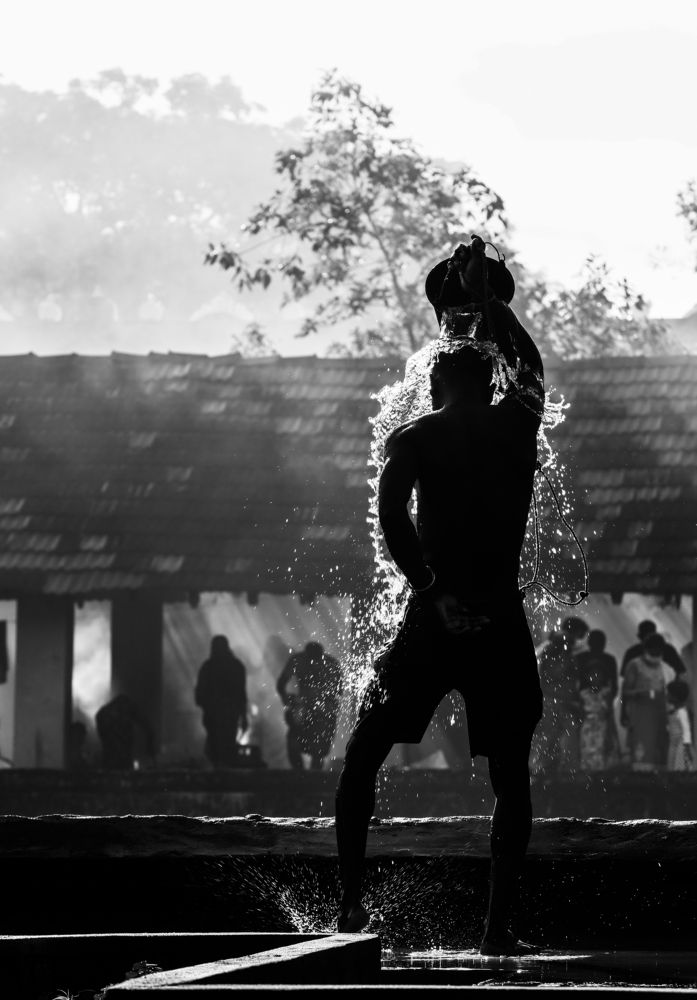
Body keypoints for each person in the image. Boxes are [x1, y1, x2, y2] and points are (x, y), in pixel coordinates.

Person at [335, 236, 545, 955]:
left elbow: (393, 518)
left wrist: (429, 591)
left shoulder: (414, 435)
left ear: (431, 382)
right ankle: (494, 931)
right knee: (510, 778)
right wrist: (487, 303)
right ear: (491, 379)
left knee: (363, 752)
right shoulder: (517, 423)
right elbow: (532, 366)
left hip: (433, 617)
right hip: (498, 616)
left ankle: (349, 909)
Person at [277, 641, 342, 770]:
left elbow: (338, 691)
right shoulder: (298, 660)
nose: (313, 662)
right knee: (295, 742)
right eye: (310, 658)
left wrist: (328, 702)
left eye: (316, 658)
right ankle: (301, 774)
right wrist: (287, 698)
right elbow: (281, 683)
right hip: (303, 707)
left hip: (323, 709)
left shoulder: (331, 664)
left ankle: (311, 777)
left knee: (319, 749)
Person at [621, 633, 674, 771]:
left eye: (659, 649)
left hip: (660, 715)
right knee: (642, 753)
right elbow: (626, 691)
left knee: (658, 751)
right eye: (653, 649)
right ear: (646, 649)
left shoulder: (666, 668)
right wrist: (641, 694)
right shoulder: (635, 665)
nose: (656, 652)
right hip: (640, 714)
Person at [195, 635, 248, 767]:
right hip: (229, 714)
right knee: (227, 746)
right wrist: (243, 716)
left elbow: (199, 694)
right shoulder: (236, 666)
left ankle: (218, 776)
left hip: (214, 714)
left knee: (216, 747)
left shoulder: (208, 667)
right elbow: (241, 695)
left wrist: (206, 705)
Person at [576, 630, 619, 771]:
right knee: (587, 749)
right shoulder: (607, 659)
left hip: (600, 715)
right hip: (589, 712)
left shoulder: (581, 658)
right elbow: (615, 686)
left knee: (601, 750)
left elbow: (614, 686)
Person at [95, 694, 155, 770]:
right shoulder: (110, 714)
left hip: (113, 760)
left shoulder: (103, 714)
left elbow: (147, 726)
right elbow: (146, 726)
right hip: (115, 760)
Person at [621, 620, 686, 678]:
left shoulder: (632, 652)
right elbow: (680, 670)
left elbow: (624, 674)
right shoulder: (669, 650)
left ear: (639, 636)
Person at [666, 679, 695, 771]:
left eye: (669, 693)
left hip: (681, 746)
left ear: (675, 697)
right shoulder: (674, 711)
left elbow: (686, 731)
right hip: (674, 744)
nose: (667, 695)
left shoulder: (682, 712)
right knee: (672, 764)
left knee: (679, 767)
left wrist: (687, 748)